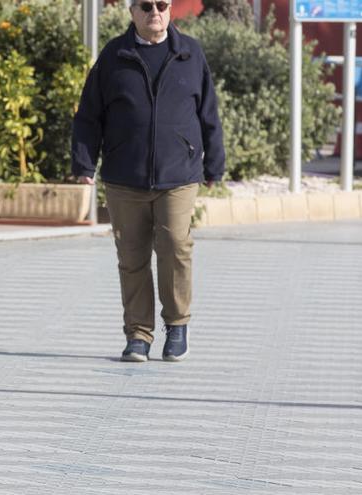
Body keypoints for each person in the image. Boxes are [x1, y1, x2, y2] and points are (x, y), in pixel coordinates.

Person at [72, 0, 225, 362]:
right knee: (132, 256)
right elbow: (89, 115)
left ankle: (177, 324)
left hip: (178, 174)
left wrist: (215, 164)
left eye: (162, 4)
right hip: (125, 174)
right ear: (132, 12)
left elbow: (209, 113)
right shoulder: (115, 55)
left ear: (170, 10)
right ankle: (138, 334)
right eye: (145, 5)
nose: (154, 11)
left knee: (175, 246)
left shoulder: (190, 53)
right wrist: (83, 163)